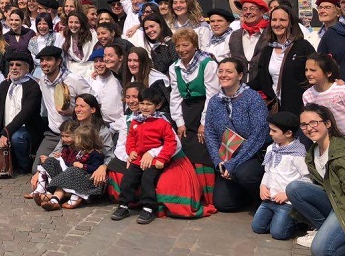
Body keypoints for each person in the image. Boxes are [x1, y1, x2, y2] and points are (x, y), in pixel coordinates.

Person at [286, 104, 345, 254]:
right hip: (334, 201)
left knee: (320, 250)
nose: (309, 128)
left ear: (328, 123)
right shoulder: (312, 152)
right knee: (294, 188)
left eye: (314, 122)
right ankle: (329, 233)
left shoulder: (343, 155)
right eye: (304, 124)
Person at [204, 58, 271, 212]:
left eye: (229, 71)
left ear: (240, 75)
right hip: (228, 154)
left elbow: (259, 134)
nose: (223, 75)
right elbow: (210, 133)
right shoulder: (215, 101)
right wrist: (219, 161)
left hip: (253, 154)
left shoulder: (252, 98)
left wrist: (233, 164)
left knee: (244, 174)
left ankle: (263, 201)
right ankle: (245, 195)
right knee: (223, 204)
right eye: (220, 71)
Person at [110, 87, 178, 224]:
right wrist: (132, 151)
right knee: (128, 178)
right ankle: (123, 205)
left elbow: (171, 143)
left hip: (153, 161)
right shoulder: (136, 122)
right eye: (142, 103)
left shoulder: (163, 123)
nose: (145, 107)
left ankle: (148, 208)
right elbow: (131, 140)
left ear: (157, 106)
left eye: (149, 104)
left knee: (147, 179)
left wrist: (161, 158)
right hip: (138, 159)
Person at [169, 28, 220, 194]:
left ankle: (207, 193)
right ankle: (191, 191)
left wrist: (204, 123)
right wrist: (179, 122)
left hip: (205, 108)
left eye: (186, 44)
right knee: (186, 149)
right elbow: (176, 96)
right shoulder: (174, 68)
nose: (181, 49)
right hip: (187, 111)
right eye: (178, 45)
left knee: (202, 149)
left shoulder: (207, 64)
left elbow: (212, 95)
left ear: (194, 45)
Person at [39, 95, 113, 209]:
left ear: (93, 109)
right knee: (49, 162)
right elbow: (58, 149)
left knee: (74, 170)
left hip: (87, 172)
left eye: (82, 106)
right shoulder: (72, 126)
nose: (78, 109)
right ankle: (57, 192)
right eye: (77, 106)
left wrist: (103, 167)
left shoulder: (102, 131)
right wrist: (43, 168)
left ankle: (55, 195)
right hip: (70, 166)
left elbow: (109, 155)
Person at [252, 111, 309, 241]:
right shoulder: (272, 148)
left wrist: (287, 194)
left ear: (288, 133)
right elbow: (268, 171)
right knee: (257, 227)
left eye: (274, 131)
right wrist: (262, 186)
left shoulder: (298, 153)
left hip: (287, 202)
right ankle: (277, 221)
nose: (270, 133)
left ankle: (296, 220)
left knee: (279, 234)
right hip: (269, 199)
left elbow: (307, 178)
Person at [0, 51, 45, 174]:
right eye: (11, 65)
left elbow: (25, 114)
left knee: (17, 138)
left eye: (18, 65)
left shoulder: (33, 86)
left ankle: (25, 165)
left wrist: (5, 132)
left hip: (26, 129)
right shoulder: (4, 84)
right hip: (6, 128)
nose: (14, 68)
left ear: (27, 68)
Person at [34, 46, 92, 167]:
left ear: (59, 61)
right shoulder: (43, 81)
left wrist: (73, 111)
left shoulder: (74, 80)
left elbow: (93, 102)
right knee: (37, 168)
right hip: (53, 134)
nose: (44, 63)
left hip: (75, 136)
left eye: (48, 59)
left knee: (65, 168)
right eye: (42, 60)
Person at [258, 5, 315, 115]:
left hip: (300, 108)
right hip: (277, 109)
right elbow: (260, 79)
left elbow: (317, 70)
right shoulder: (267, 50)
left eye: (282, 20)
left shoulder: (303, 46)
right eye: (274, 20)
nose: (277, 24)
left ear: (291, 23)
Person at [302, 53, 345, 145]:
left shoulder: (342, 90)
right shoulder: (308, 95)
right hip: (328, 144)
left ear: (328, 73)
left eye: (313, 70)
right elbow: (311, 121)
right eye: (306, 70)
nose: (308, 74)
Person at [228, 0, 271, 86]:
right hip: (239, 88)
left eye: (252, 9)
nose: (248, 12)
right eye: (245, 9)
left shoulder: (270, 34)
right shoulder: (235, 35)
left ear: (262, 11)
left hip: (263, 88)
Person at [88, 48, 123, 124]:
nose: (98, 64)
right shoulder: (91, 80)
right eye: (95, 61)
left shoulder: (118, 79)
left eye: (101, 61)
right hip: (98, 123)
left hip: (118, 124)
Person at [61, 12, 96, 78]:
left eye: (76, 22)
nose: (73, 25)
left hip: (90, 70)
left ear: (82, 23)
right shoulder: (65, 37)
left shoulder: (92, 35)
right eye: (71, 22)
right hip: (73, 71)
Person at [27, 13, 64, 77]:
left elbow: (61, 54)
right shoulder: (33, 41)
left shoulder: (57, 36)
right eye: (39, 24)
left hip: (55, 71)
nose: (42, 26)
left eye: (44, 24)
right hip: (38, 73)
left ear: (49, 24)